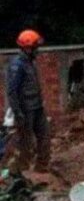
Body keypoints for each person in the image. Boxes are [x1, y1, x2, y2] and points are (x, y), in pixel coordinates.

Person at [5, 30, 50, 173]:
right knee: (25, 143)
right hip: (25, 110)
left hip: (37, 108)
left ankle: (41, 171)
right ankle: (19, 174)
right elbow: (12, 91)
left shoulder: (31, 63)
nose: (38, 50)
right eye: (36, 47)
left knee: (44, 138)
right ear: (28, 47)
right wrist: (18, 113)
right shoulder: (17, 65)